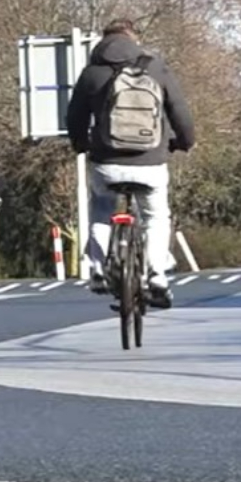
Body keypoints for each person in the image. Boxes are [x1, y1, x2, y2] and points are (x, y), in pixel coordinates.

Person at [65, 18, 196, 309]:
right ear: (133, 38)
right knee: (155, 216)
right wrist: (184, 142)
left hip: (106, 162)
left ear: (104, 40)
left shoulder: (92, 73)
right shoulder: (155, 67)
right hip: (150, 161)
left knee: (101, 210)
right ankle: (157, 277)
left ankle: (97, 270)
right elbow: (180, 111)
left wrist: (80, 144)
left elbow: (74, 118)